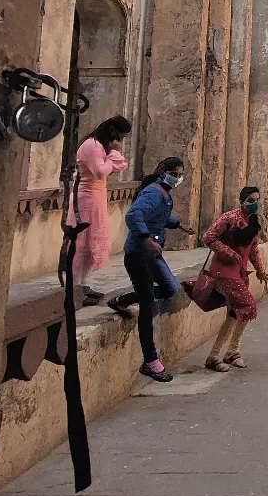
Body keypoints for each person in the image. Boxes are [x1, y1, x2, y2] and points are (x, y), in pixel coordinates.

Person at [110, 157, 188, 382]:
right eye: (174, 173)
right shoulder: (153, 193)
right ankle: (151, 361)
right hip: (138, 255)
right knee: (147, 306)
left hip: (152, 255)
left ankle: (123, 300)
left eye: (180, 174)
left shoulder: (164, 195)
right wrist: (146, 238)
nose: (177, 178)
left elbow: (159, 217)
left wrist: (178, 224)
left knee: (170, 288)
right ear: (163, 171)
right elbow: (134, 215)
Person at [203, 186, 268, 371]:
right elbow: (208, 237)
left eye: (257, 199)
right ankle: (217, 354)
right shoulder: (229, 218)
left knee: (235, 312)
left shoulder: (255, 221)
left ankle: (230, 351)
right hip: (223, 272)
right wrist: (229, 253)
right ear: (242, 202)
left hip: (239, 273)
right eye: (251, 200)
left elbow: (253, 248)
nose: (255, 203)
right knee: (247, 307)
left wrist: (260, 270)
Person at [70, 116, 132, 303]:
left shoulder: (99, 146)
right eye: (119, 136)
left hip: (96, 197)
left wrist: (112, 155)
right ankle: (75, 289)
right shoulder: (92, 145)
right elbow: (100, 171)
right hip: (86, 198)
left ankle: (83, 284)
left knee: (93, 242)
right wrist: (114, 155)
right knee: (82, 243)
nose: (118, 141)